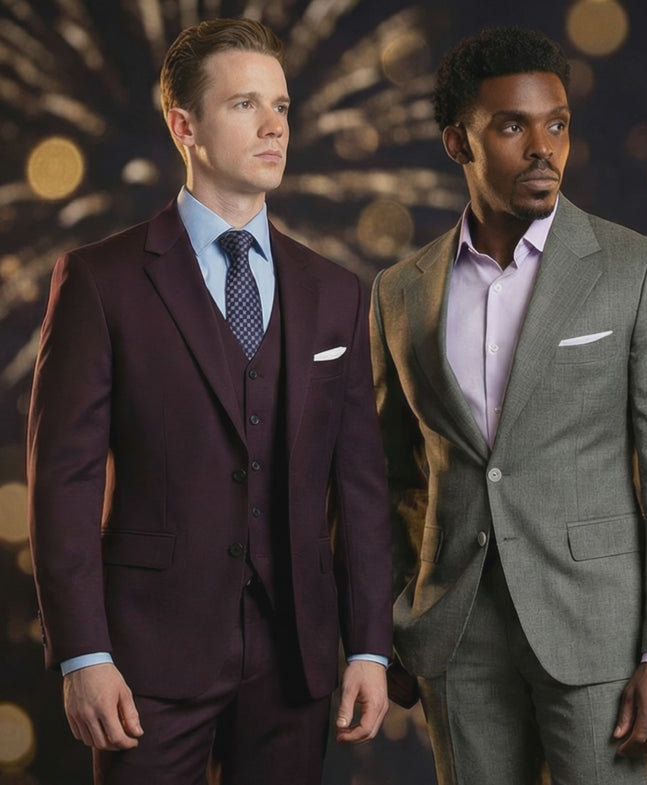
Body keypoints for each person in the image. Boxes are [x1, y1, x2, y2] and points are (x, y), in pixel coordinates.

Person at [26, 18, 392, 785]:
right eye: (245, 105)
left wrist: (368, 644)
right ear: (183, 125)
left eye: (283, 107)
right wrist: (84, 654)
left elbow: (358, 486)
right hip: (146, 660)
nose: (274, 126)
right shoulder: (102, 279)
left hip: (295, 658)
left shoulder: (334, 292)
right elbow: (64, 481)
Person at [369, 25, 647, 785]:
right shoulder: (401, 291)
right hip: (455, 637)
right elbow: (392, 473)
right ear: (458, 142)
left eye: (556, 123)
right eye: (512, 125)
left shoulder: (639, 270)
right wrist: (393, 621)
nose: (543, 147)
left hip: (599, 633)